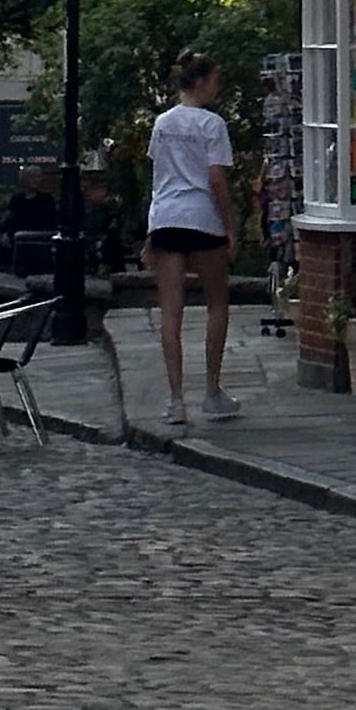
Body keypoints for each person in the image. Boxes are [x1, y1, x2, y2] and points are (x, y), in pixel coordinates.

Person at [144, 51, 242, 428]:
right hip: (202, 216)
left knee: (171, 312)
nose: (217, 87)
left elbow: (159, 179)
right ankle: (212, 391)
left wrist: (149, 232)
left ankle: (174, 400)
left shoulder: (162, 123)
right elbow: (216, 179)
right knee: (217, 304)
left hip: (166, 218)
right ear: (200, 82)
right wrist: (230, 224)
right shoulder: (212, 125)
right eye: (215, 80)